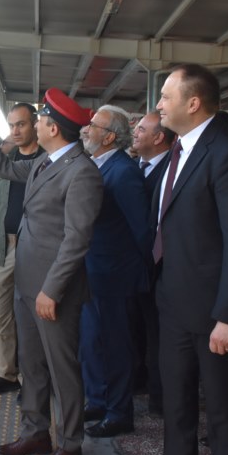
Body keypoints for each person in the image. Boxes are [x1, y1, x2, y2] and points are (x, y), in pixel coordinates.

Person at [0, 88, 102, 455]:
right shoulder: (46, 162)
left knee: (62, 369)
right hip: (28, 284)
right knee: (32, 364)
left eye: (40, 120)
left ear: (53, 128)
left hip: (52, 292)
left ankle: (71, 442)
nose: (33, 127)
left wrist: (52, 290)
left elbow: (77, 240)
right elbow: (6, 169)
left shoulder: (81, 173)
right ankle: (35, 431)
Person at [151, 64, 228, 455]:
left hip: (214, 311)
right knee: (176, 399)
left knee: (221, 407)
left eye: (165, 96)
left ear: (193, 103)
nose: (158, 103)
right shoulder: (179, 150)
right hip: (174, 300)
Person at [79, 105, 151, 437]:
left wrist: (135, 274)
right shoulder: (98, 165)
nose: (85, 130)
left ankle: (119, 411)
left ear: (109, 136)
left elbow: (142, 231)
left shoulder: (123, 172)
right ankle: (98, 399)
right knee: (93, 341)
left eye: (92, 125)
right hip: (94, 273)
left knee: (115, 345)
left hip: (115, 275)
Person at [0, 102, 43, 396]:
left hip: (33, 247)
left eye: (21, 124)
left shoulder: (46, 161)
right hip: (4, 246)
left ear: (35, 125)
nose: (15, 131)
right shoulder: (7, 159)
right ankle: (5, 371)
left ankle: (31, 381)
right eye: (11, 125)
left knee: (31, 317)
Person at [129, 109, 175, 414]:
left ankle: (160, 399)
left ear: (159, 138)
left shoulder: (171, 170)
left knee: (160, 336)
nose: (135, 133)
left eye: (141, 130)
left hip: (161, 271)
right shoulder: (137, 166)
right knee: (140, 331)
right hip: (136, 269)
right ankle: (141, 381)